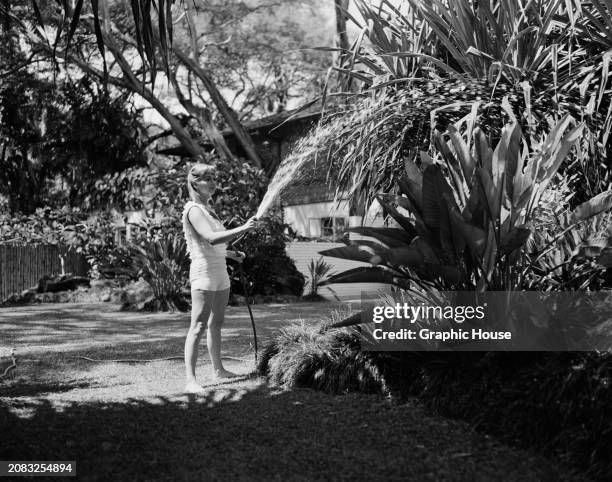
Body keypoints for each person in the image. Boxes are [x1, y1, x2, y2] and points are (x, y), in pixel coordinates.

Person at [182, 163, 258, 393]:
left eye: (214, 178)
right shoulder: (193, 209)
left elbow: (215, 246)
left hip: (220, 272)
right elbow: (211, 238)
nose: (213, 183)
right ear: (195, 183)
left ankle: (218, 369)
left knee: (217, 324)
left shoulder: (209, 210)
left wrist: (231, 254)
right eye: (207, 179)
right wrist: (244, 228)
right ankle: (191, 381)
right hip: (203, 273)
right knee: (197, 326)